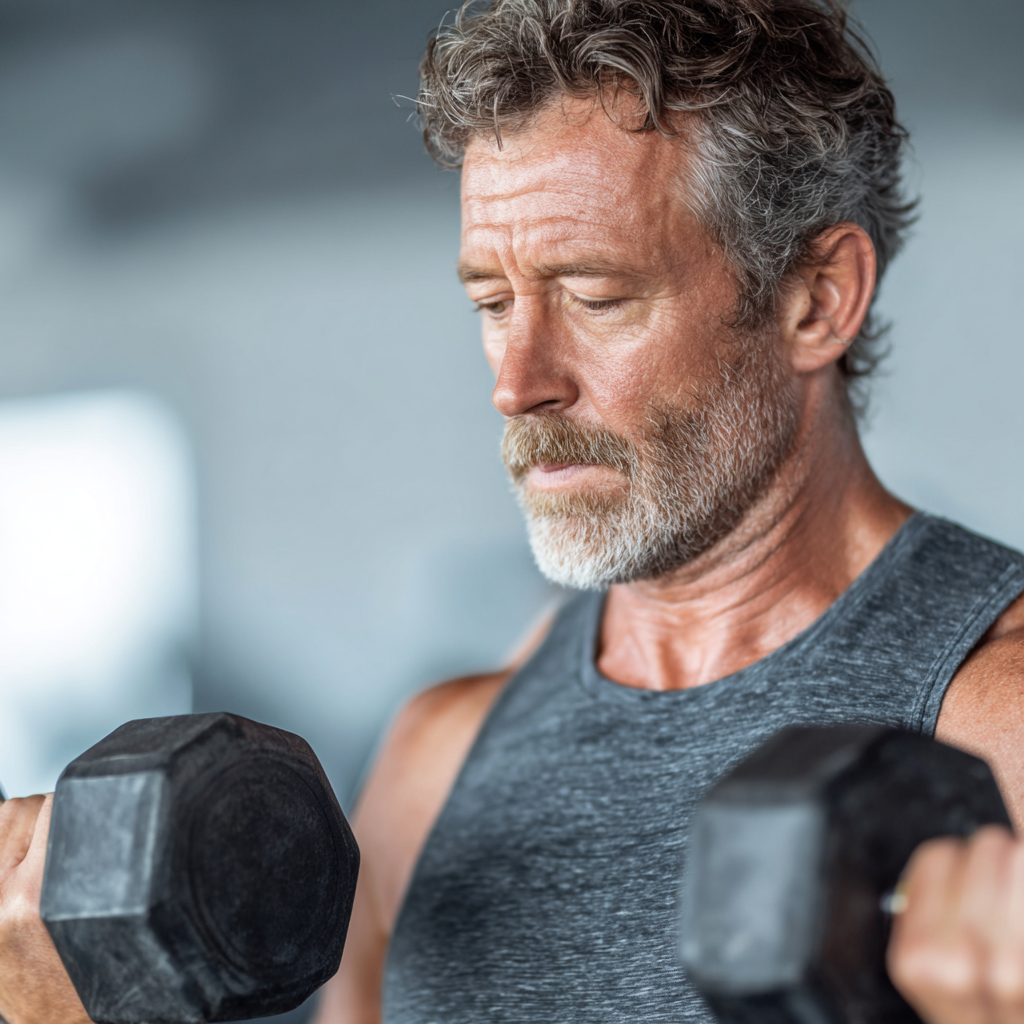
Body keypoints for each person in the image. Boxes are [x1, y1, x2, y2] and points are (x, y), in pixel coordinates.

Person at [0, 3, 1022, 1024]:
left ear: (815, 297)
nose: (519, 382)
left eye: (596, 297)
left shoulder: (994, 732)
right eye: (493, 303)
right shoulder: (435, 756)